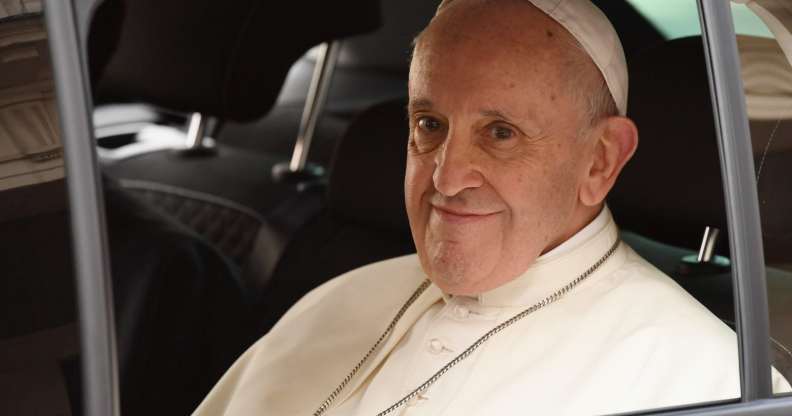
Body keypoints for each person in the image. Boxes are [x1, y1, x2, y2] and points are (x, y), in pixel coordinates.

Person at [193, 1, 790, 415]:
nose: (447, 178)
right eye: (429, 124)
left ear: (601, 160)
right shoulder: (333, 300)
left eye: (500, 133)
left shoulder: (709, 383)